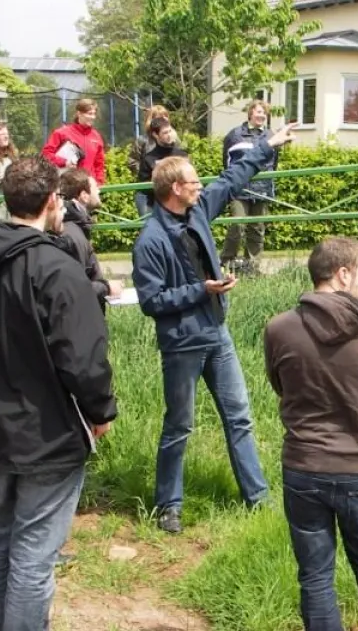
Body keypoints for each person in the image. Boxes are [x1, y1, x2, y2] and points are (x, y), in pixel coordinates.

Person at [0, 155, 118, 631]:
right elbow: (84, 359)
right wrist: (100, 411)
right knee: (33, 556)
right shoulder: (56, 268)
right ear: (53, 201)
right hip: (45, 436)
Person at [131, 120, 296, 534]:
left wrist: (268, 144)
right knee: (179, 426)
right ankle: (169, 505)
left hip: (217, 334)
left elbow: (232, 177)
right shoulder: (150, 240)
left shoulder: (199, 210)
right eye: (193, 182)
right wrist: (200, 290)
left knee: (239, 417)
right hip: (182, 343)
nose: (200, 186)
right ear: (175, 189)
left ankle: (258, 499)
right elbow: (151, 301)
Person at [263, 237, 358, 631]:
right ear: (342, 274)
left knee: (315, 576)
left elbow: (281, 386)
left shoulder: (278, 328)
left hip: (304, 468)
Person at [220, 100, 283, 273]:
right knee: (237, 225)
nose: (261, 115)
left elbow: (273, 163)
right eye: (258, 112)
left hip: (262, 189)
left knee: (257, 229)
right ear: (250, 113)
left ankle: (252, 267)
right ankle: (225, 264)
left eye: (264, 113)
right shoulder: (235, 135)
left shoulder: (270, 135)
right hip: (239, 189)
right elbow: (227, 161)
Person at [56, 168, 123, 311]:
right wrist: (106, 287)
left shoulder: (76, 228)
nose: (99, 190)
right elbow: (74, 289)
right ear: (84, 196)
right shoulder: (70, 234)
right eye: (95, 187)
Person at [41, 98, 107, 185]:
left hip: (88, 186)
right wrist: (64, 162)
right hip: (66, 184)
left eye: (94, 114)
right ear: (79, 113)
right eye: (89, 114)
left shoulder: (97, 137)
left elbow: (99, 164)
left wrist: (99, 182)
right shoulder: (61, 133)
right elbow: (46, 154)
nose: (92, 117)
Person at [128, 105, 172, 216]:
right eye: (159, 117)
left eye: (165, 116)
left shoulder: (173, 140)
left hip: (167, 191)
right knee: (147, 223)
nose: (163, 119)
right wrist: (147, 172)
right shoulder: (143, 140)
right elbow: (132, 161)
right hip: (146, 191)